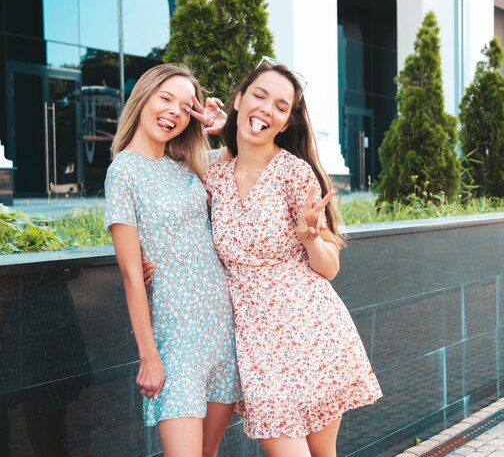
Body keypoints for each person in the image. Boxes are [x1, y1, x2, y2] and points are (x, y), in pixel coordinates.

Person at [202, 59, 382, 456]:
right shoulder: (214, 176)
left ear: (285, 123)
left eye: (281, 107)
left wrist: (310, 238)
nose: (267, 109)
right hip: (257, 343)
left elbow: (329, 267)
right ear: (239, 100)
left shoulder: (295, 174)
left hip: (311, 331)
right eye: (259, 96)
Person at [104, 64, 241, 457]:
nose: (174, 112)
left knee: (208, 453)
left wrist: (222, 124)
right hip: (175, 338)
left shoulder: (186, 167)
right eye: (166, 99)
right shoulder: (123, 172)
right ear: (143, 98)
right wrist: (149, 355)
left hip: (221, 328)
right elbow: (132, 275)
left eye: (185, 107)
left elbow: (242, 156)